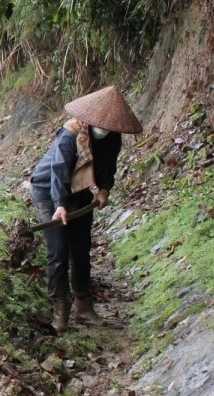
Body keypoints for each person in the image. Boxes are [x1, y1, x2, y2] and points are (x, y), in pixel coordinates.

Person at [28, 86, 142, 332]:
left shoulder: (113, 138)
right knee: (58, 253)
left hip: (80, 191)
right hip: (49, 192)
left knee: (81, 251)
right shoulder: (70, 136)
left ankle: (84, 309)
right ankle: (60, 313)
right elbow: (59, 171)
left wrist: (104, 190)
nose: (105, 128)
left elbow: (108, 166)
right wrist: (59, 205)